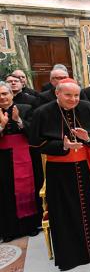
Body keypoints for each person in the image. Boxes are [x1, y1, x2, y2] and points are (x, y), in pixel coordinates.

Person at [30, 78, 90, 271]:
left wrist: (88, 138)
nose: (73, 99)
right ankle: (73, 254)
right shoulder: (42, 113)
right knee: (66, 212)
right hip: (61, 174)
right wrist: (62, 145)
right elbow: (36, 145)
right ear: (57, 93)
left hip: (89, 169)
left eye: (76, 95)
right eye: (68, 95)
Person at [0, 82, 41, 242]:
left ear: (11, 94)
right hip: (2, 157)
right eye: (0, 94)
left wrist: (19, 121)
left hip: (24, 155)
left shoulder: (25, 108)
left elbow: (35, 132)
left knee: (27, 189)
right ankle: (9, 229)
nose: (2, 97)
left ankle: (29, 226)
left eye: (5, 93)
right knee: (5, 191)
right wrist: (2, 126)